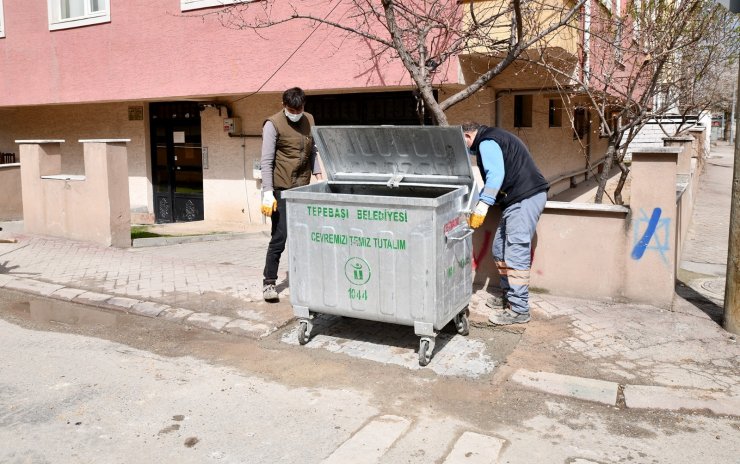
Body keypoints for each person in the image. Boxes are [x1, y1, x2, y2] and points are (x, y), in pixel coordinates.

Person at [462, 121, 549, 325]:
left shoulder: (487, 141)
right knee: (500, 250)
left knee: (515, 252)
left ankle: (519, 310)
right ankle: (509, 296)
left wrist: (483, 206)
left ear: (468, 136)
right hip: (516, 201)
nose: (466, 149)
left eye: (463, 144)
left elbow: (495, 176)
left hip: (525, 198)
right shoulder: (493, 137)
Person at [260, 87, 322, 301]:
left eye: (299, 109)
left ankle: (305, 278)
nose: (295, 113)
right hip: (281, 189)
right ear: (284, 105)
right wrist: (267, 192)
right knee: (280, 236)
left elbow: (312, 150)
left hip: (302, 187)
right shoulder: (273, 124)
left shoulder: (310, 119)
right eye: (291, 109)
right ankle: (269, 282)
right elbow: (266, 161)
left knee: (304, 235)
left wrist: (318, 175)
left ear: (304, 106)